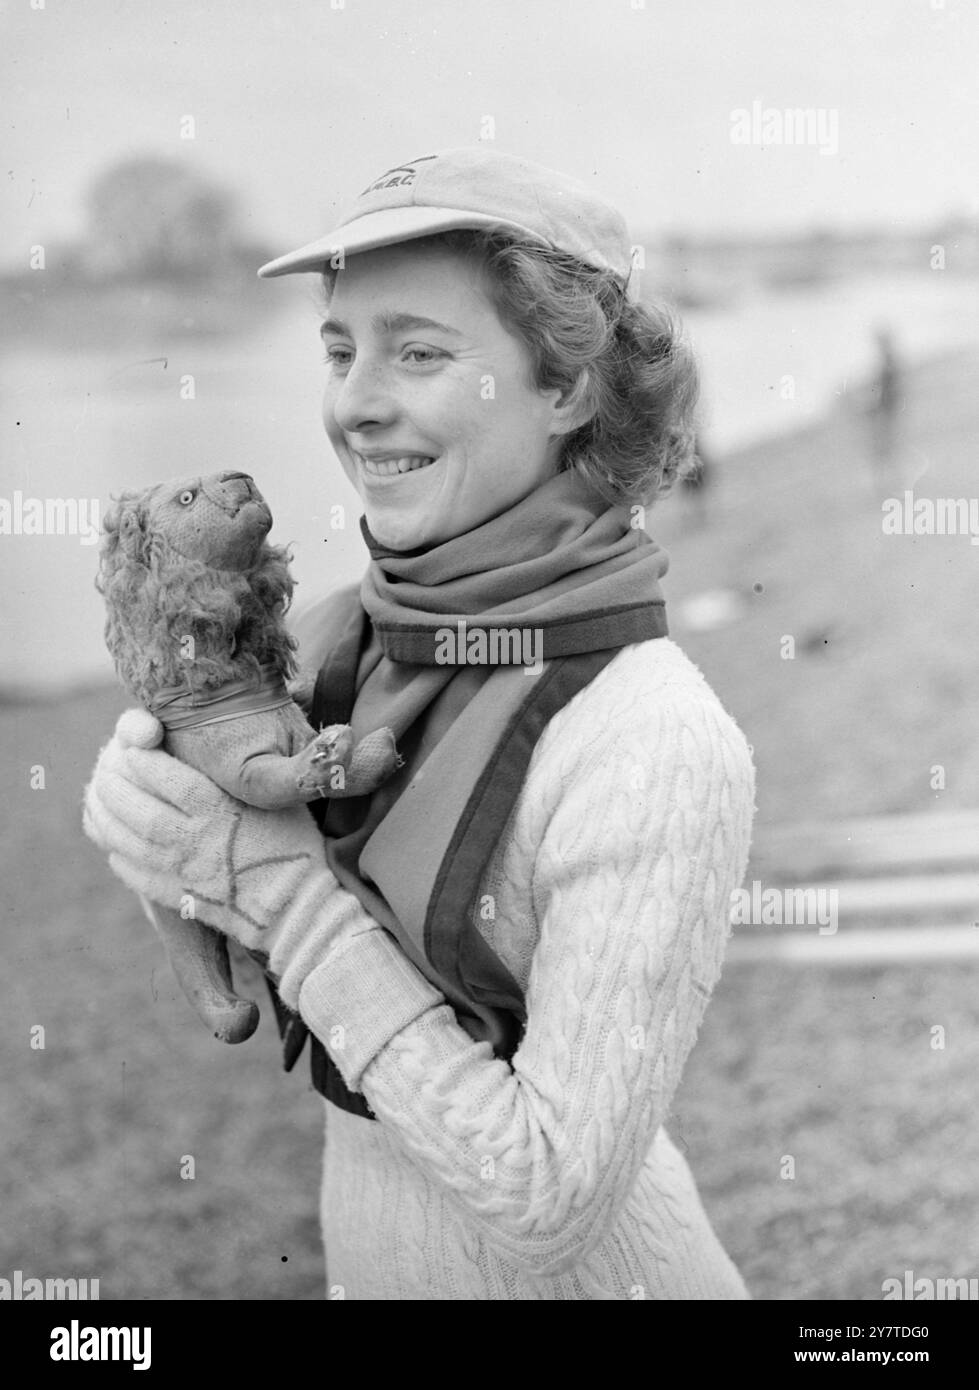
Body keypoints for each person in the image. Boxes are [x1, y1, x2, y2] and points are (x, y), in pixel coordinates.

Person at [83, 147, 756, 1301]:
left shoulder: (652, 739)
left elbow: (546, 1196)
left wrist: (281, 891)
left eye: (421, 352)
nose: (356, 402)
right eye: (340, 350)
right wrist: (139, 799)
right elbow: (222, 821)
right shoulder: (346, 637)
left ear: (568, 386)